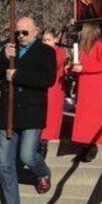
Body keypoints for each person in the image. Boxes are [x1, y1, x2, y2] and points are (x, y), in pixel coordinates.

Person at [0, 17, 56, 204]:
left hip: (31, 112)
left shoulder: (46, 52)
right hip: (7, 114)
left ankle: (43, 172)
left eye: (25, 33)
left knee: (27, 156)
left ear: (35, 32)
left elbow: (48, 80)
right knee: (4, 164)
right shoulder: (10, 50)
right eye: (18, 33)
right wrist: (2, 57)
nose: (20, 36)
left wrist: (17, 76)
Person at [69, 23, 102, 162]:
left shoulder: (99, 45)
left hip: (94, 87)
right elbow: (78, 65)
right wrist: (71, 68)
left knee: (91, 117)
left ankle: (91, 145)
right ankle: (84, 144)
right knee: (83, 117)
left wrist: (84, 68)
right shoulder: (82, 48)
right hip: (84, 87)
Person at [38, 28, 68, 158]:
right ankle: (40, 140)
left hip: (54, 88)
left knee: (51, 115)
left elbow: (54, 65)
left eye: (48, 40)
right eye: (44, 40)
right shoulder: (39, 51)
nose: (46, 42)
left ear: (55, 40)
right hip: (42, 87)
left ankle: (43, 142)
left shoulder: (59, 52)